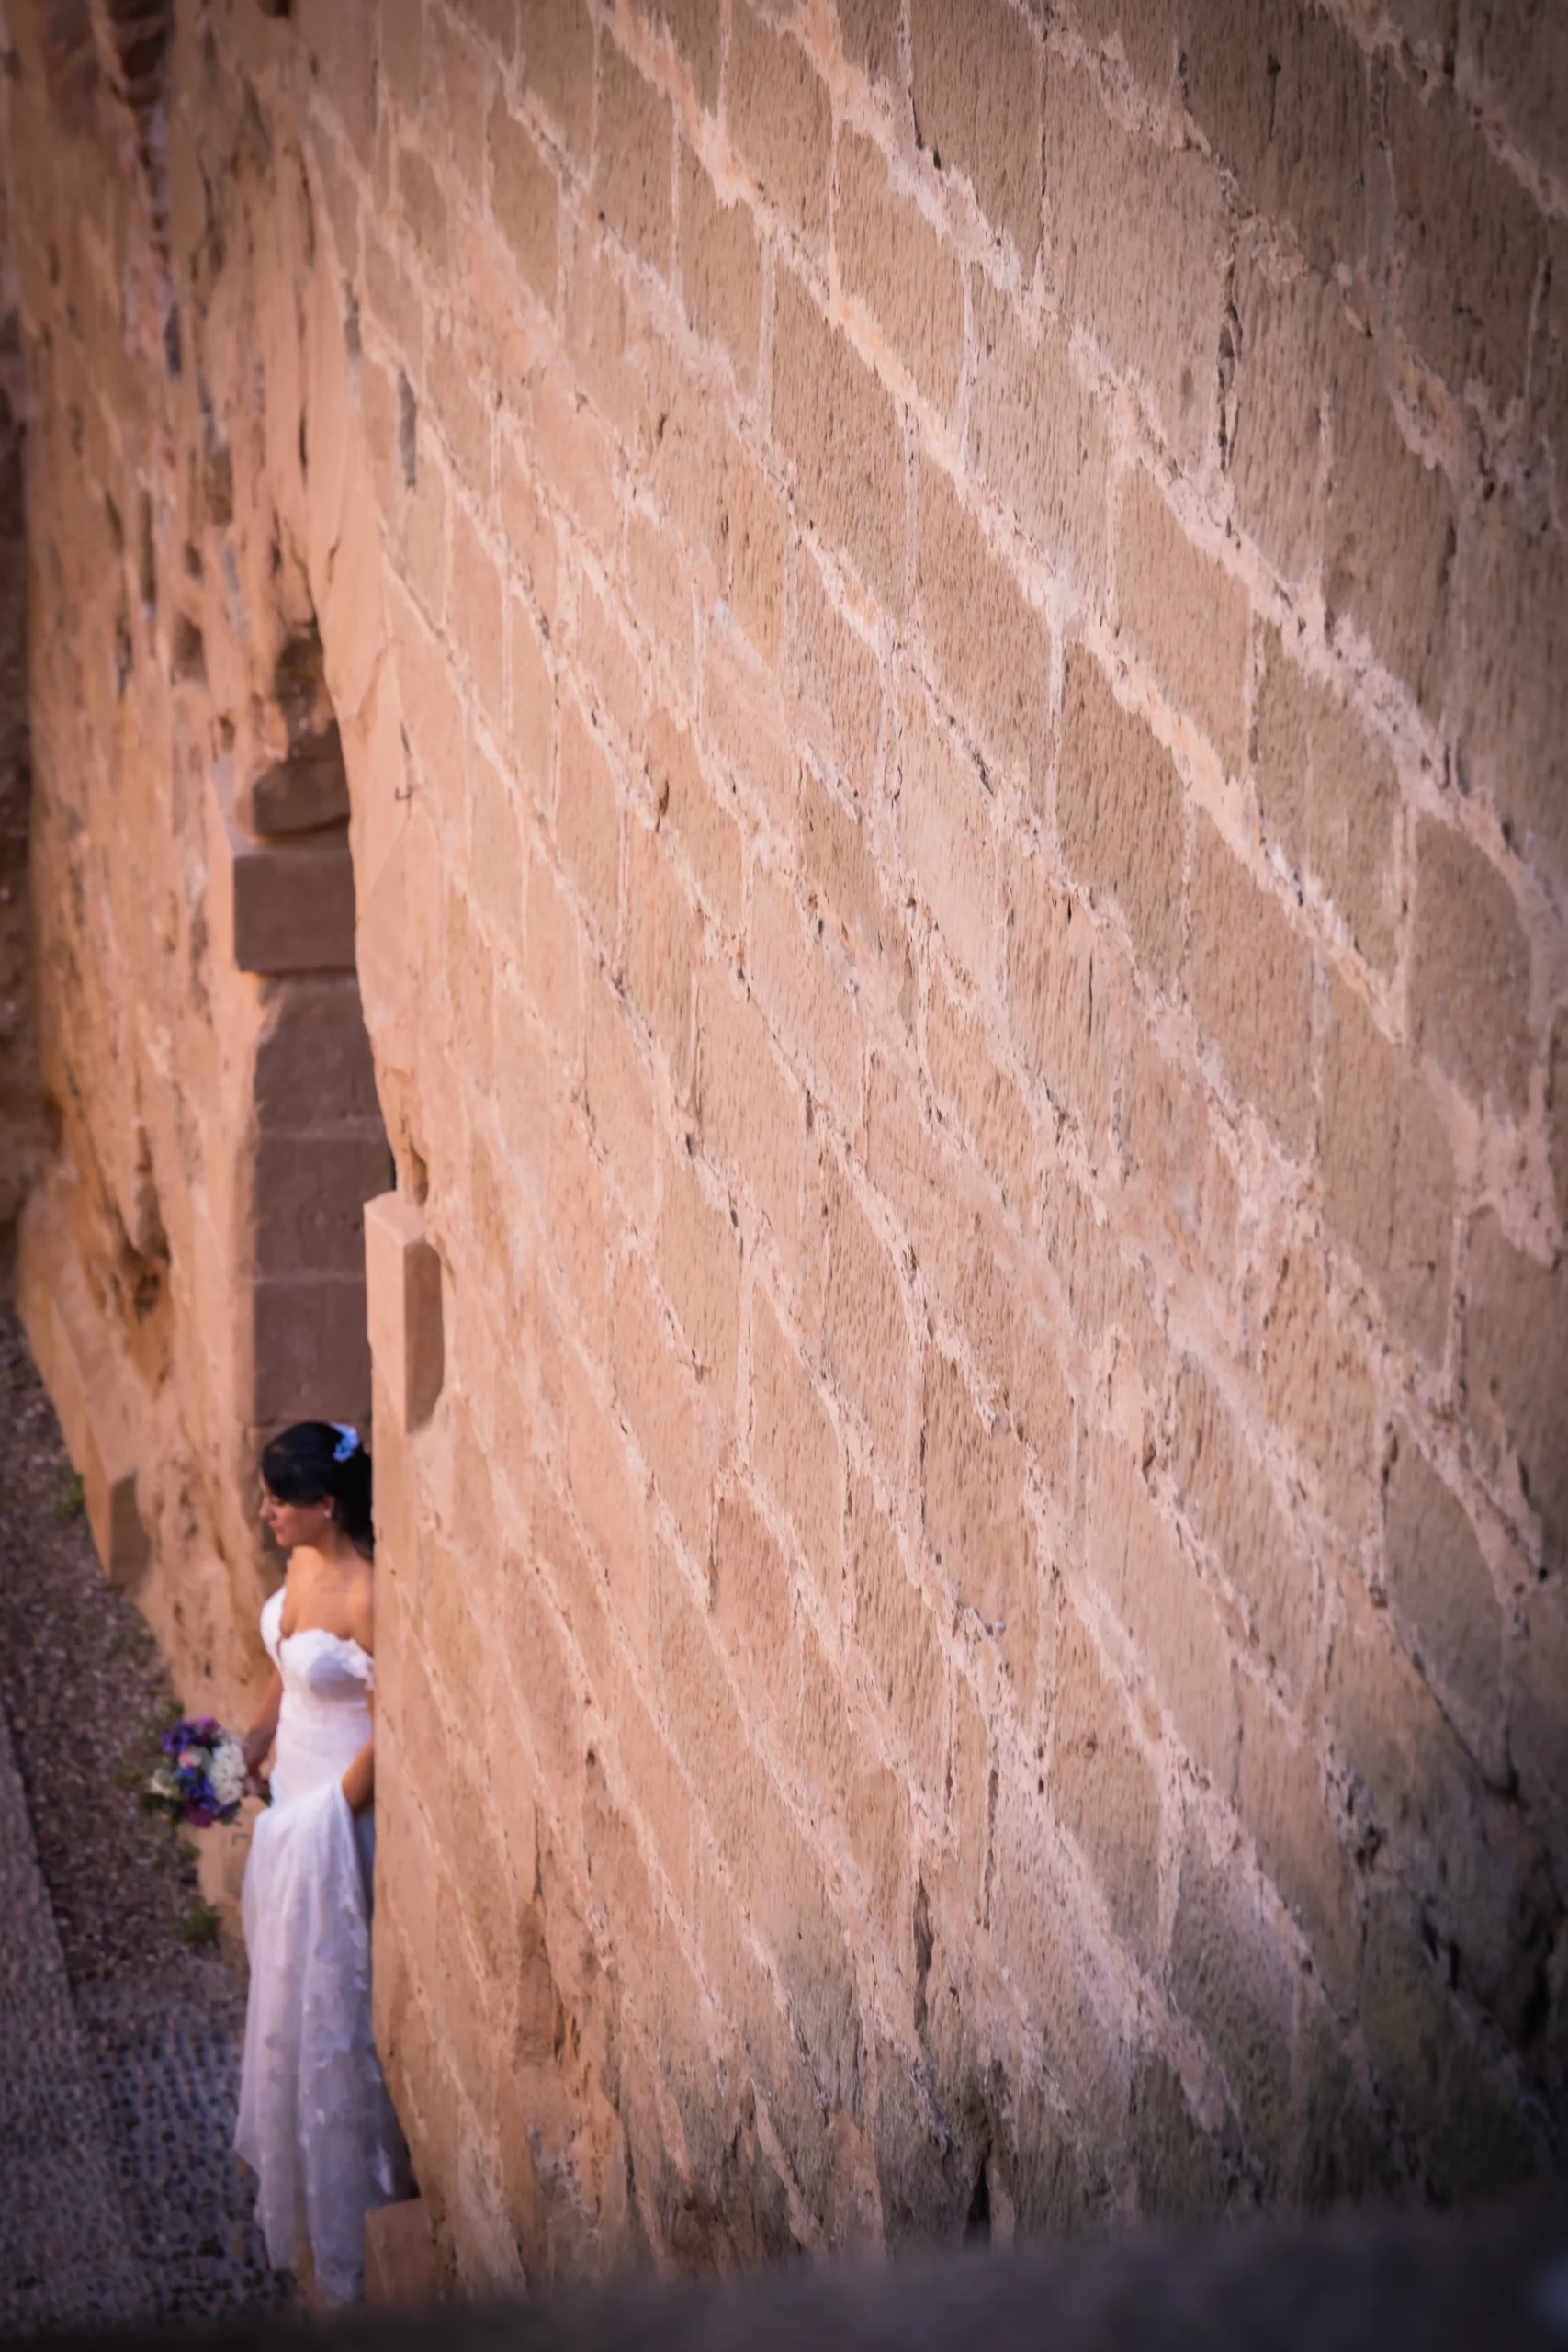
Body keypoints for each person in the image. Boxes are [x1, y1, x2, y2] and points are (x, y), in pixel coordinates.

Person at [234, 1420, 409, 2303]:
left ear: (327, 1506)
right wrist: (253, 1739)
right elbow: (287, 1661)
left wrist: (325, 1817)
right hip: (290, 1787)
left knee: (331, 1991)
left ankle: (354, 2195)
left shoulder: (369, 1594)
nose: (265, 1512)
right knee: (282, 1970)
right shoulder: (301, 1561)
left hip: (335, 1814)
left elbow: (390, 1728)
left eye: (279, 1501)